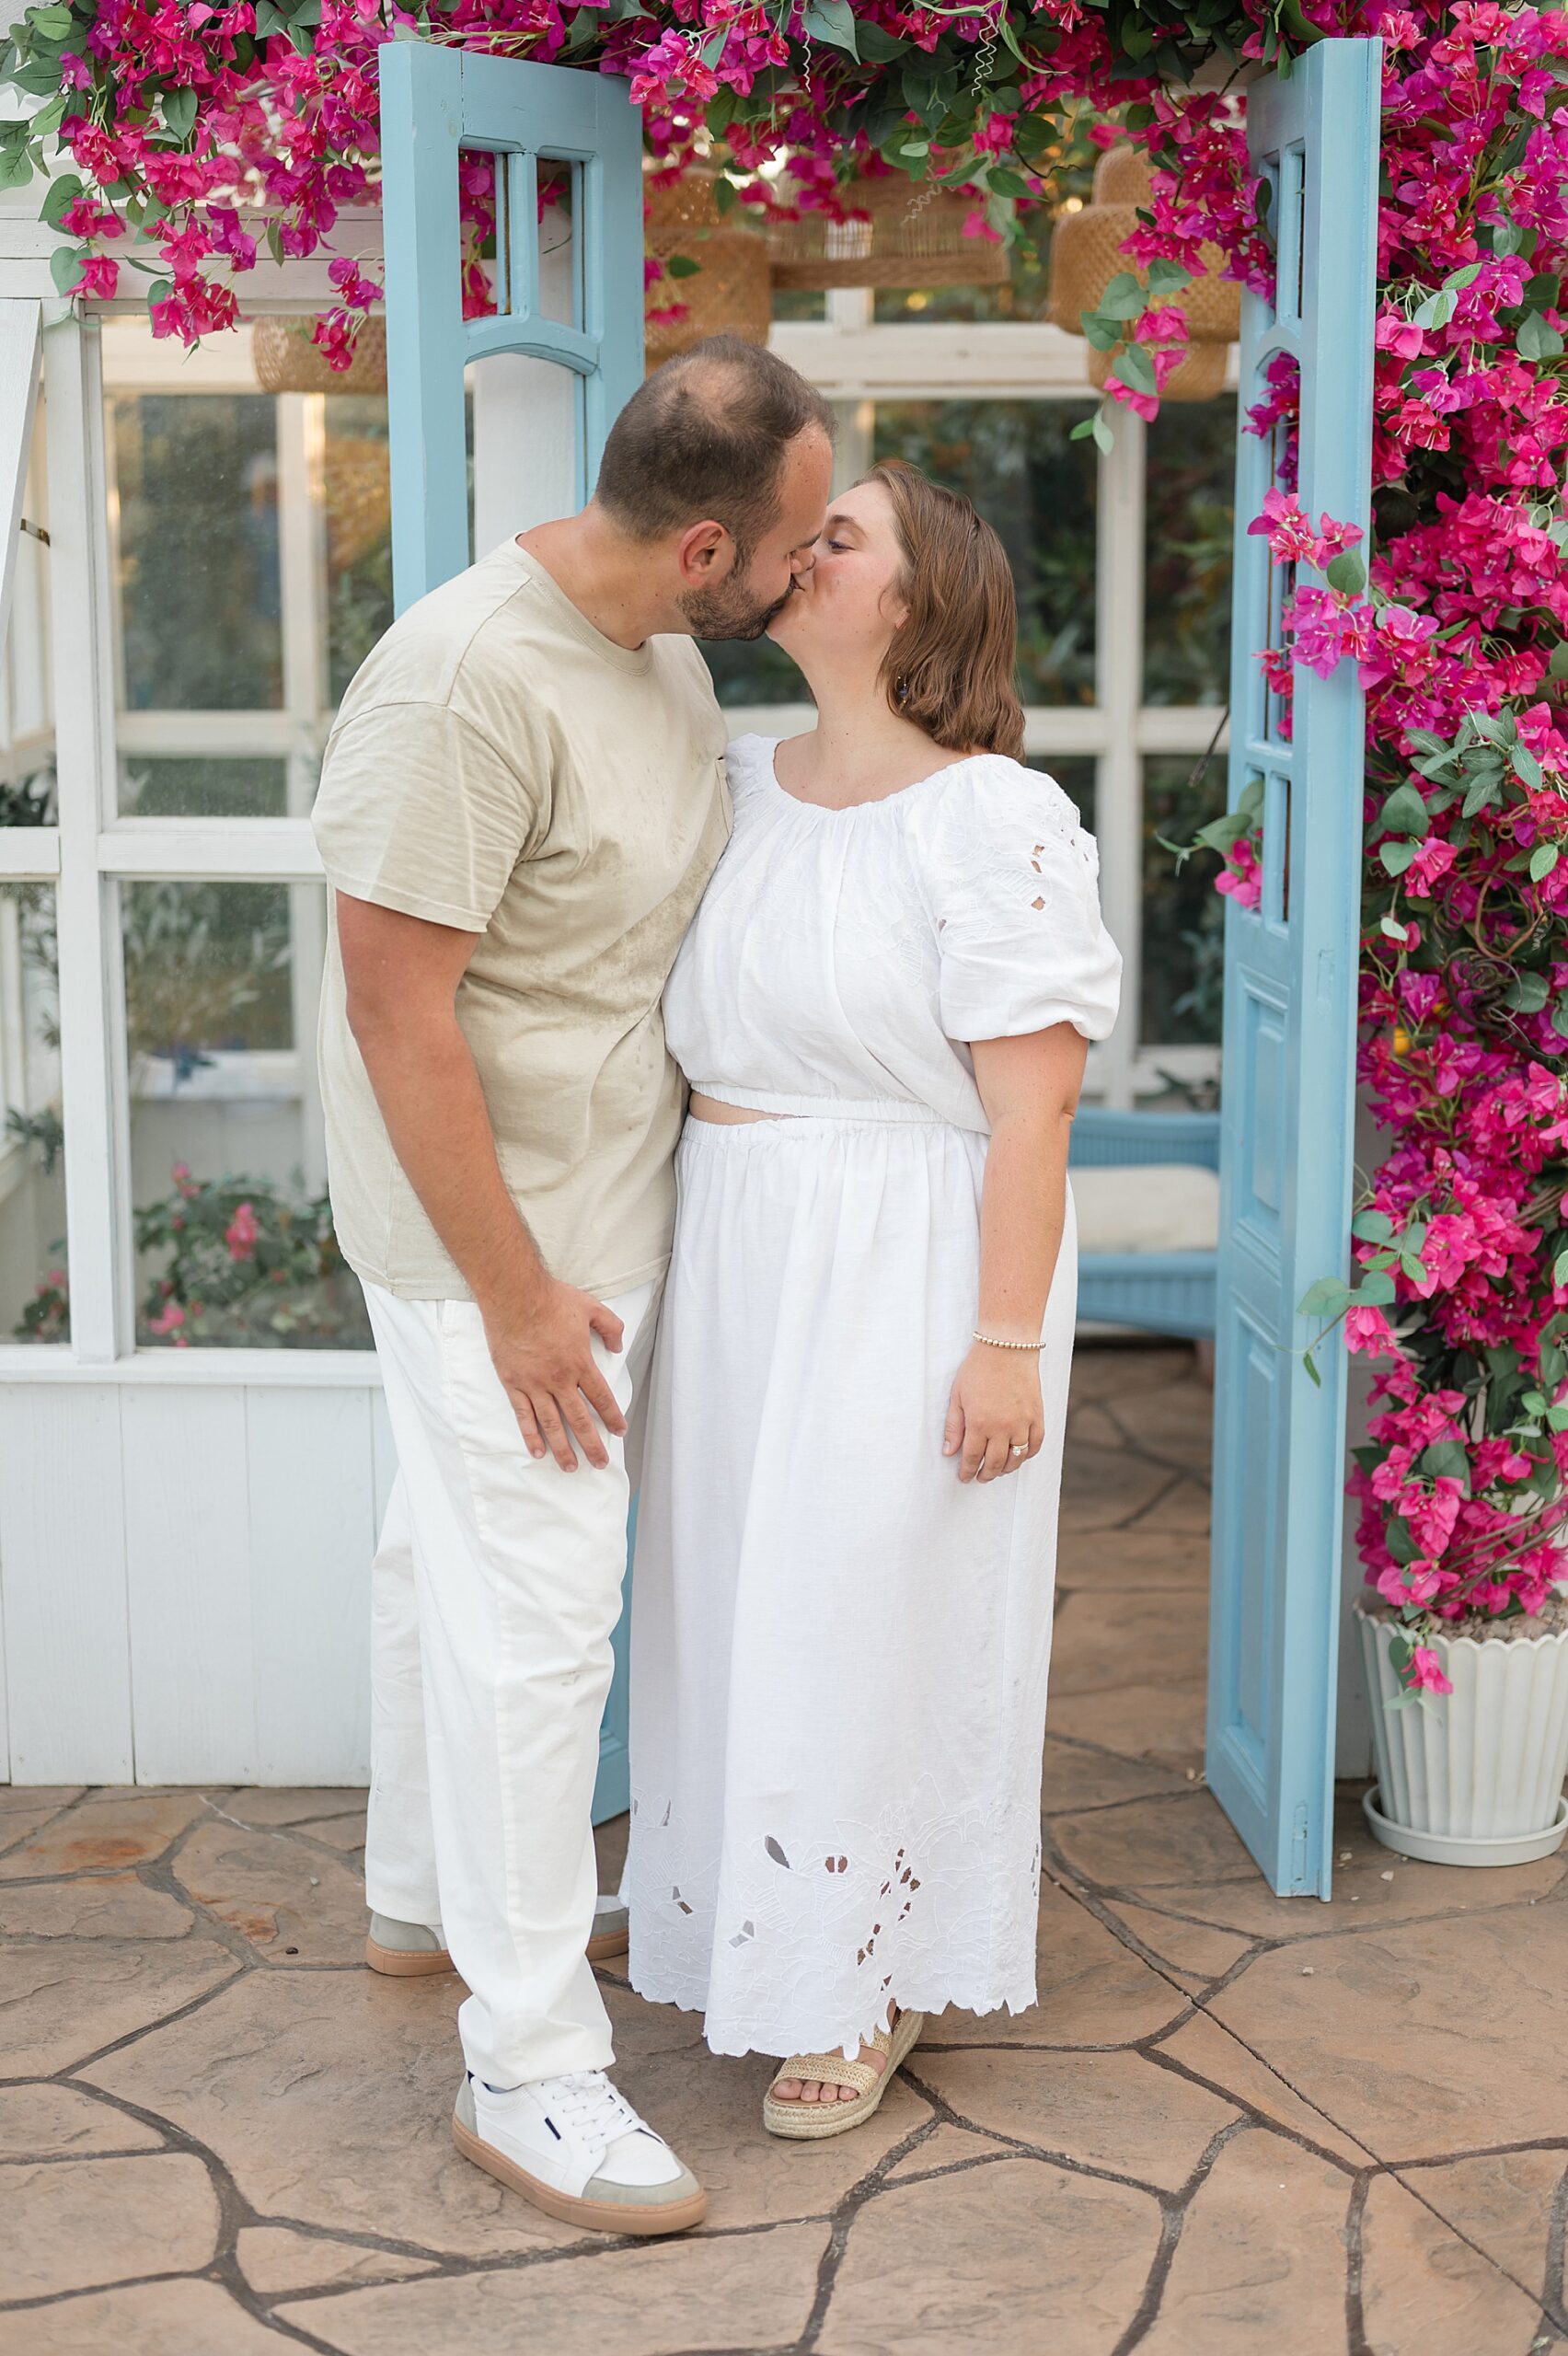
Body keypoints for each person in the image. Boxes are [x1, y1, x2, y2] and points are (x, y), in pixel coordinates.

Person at [311, 338, 834, 2233]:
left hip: (597, 1197)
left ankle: (417, 1896)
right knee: (542, 1627)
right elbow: (394, 1003)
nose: (813, 564)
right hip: (503, 1240)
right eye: (800, 540)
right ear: (707, 546)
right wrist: (520, 1295)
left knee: (428, 1554)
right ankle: (527, 2064)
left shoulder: (664, 649)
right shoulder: (463, 679)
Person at [625, 459, 1123, 2133]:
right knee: (741, 1599)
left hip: (915, 1254)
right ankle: (760, 1918)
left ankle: (871, 1974)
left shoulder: (993, 816)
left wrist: (1000, 1344)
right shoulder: (734, 777)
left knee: (872, 1608)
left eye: (841, 537)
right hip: (742, 1244)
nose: (802, 551)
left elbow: (1032, 1109)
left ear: (916, 599)